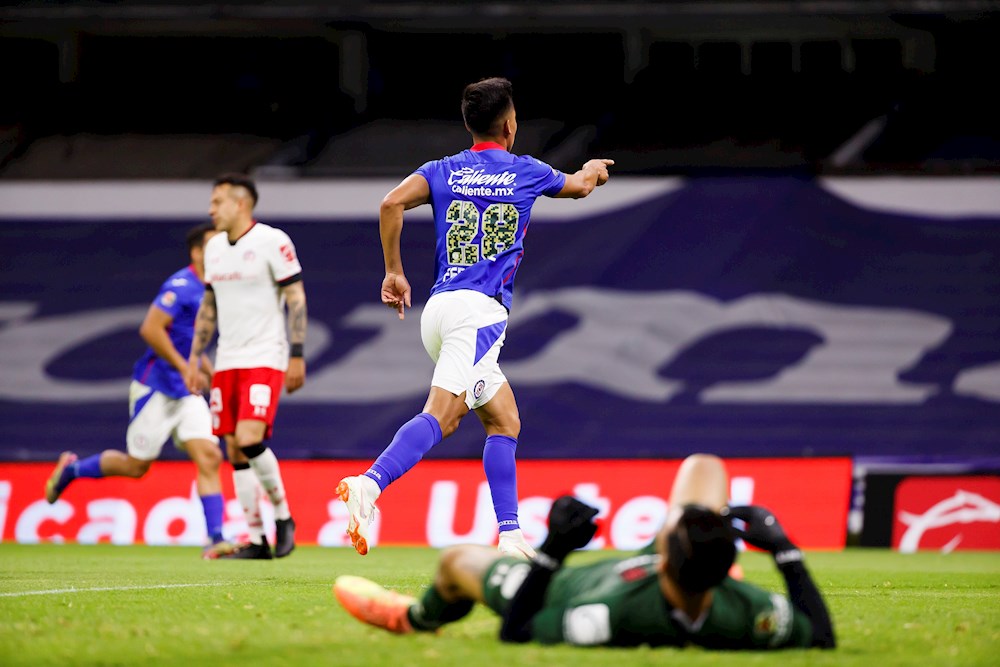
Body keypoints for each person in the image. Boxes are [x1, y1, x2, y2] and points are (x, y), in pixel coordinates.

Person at [336, 76, 615, 558]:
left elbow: (390, 204)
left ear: (470, 126)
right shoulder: (528, 171)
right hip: (479, 315)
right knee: (442, 418)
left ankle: (511, 537)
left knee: (504, 420)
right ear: (510, 124)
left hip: (440, 307)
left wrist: (394, 273)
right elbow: (581, 186)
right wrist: (592, 168)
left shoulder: (442, 170)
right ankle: (370, 483)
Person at [333, 453, 837, 649]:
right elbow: (821, 638)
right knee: (705, 467)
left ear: (663, 556)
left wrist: (552, 552)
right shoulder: (745, 614)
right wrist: (786, 551)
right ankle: (707, 540)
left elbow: (519, 630)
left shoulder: (609, 615)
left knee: (455, 562)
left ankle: (414, 617)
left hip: (561, 589)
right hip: (685, 574)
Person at [45, 222, 234, 559]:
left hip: (187, 389)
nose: (220, 249)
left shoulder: (215, 288)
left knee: (209, 455)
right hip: (157, 386)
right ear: (196, 252)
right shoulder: (180, 285)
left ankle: (216, 537)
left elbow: (192, 342)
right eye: (212, 245)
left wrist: (210, 371)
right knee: (136, 466)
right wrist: (184, 367)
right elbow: (150, 329)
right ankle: (72, 469)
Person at [184, 172, 307, 560]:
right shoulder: (216, 248)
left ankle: (284, 518)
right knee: (235, 449)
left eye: (217, 201)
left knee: (250, 437)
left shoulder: (273, 241)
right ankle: (256, 538)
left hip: (264, 355)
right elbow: (209, 305)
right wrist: (194, 357)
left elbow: (296, 298)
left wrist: (297, 354)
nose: (210, 209)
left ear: (241, 204)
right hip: (228, 361)